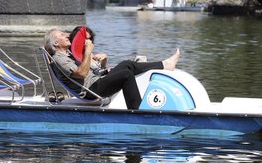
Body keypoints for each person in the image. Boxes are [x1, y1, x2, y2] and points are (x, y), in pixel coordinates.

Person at [44, 28, 180, 110]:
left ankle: (165, 64)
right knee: (126, 74)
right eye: (62, 35)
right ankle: (137, 112)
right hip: (91, 90)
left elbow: (91, 69)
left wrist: (98, 60)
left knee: (127, 64)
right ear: (56, 43)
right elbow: (81, 73)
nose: (67, 35)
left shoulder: (68, 54)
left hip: (97, 82)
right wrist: (87, 52)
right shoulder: (59, 58)